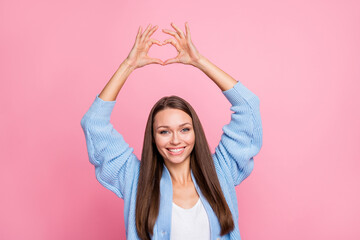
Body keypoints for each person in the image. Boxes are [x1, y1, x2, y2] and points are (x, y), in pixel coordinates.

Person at [80, 22, 263, 240]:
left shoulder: (220, 171)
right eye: (164, 132)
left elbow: (248, 106)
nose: (176, 140)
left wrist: (200, 62)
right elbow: (94, 123)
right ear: (153, 137)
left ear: (196, 132)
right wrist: (128, 65)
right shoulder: (135, 179)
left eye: (184, 129)